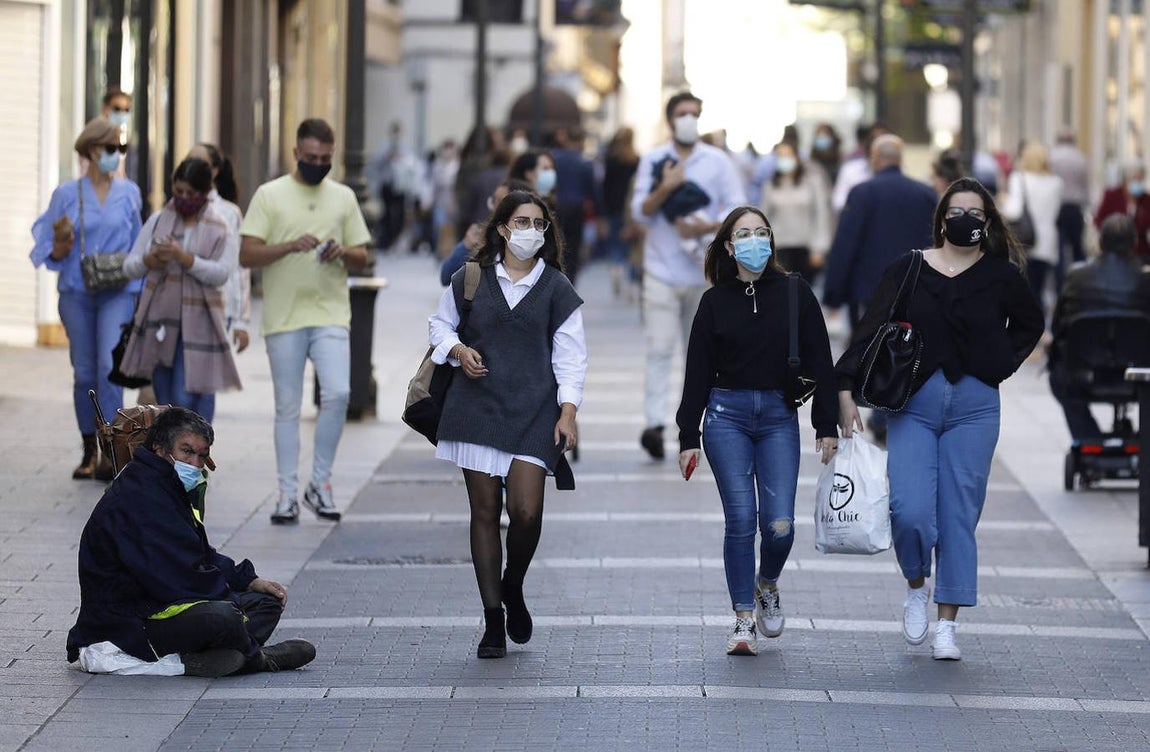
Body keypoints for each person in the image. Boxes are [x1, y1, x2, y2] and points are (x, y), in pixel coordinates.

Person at [835, 178, 1044, 661]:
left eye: (974, 212)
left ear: (987, 222)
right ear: (941, 219)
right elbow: (870, 329)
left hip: (975, 408)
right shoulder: (909, 268)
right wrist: (843, 390)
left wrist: (1000, 365)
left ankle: (947, 624)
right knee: (908, 510)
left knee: (958, 517)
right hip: (915, 406)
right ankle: (915, 586)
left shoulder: (1001, 276)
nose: (964, 219)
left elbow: (1031, 325)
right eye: (956, 211)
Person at [428, 190, 586, 659]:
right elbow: (440, 325)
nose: (531, 232)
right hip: (476, 407)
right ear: (502, 228)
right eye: (522, 222)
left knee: (526, 512)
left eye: (539, 224)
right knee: (482, 512)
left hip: (535, 409)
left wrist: (568, 411)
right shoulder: (470, 278)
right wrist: (458, 351)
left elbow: (572, 357)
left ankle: (512, 584)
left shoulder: (557, 287)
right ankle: (492, 617)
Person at [676, 206, 838, 656]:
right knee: (742, 520)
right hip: (725, 416)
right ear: (729, 246)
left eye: (761, 232)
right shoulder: (714, 302)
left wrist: (827, 424)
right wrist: (688, 435)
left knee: (780, 525)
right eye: (743, 234)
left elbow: (821, 360)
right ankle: (743, 619)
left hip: (777, 418)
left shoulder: (795, 293)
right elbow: (697, 373)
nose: (754, 240)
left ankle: (767, 582)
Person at [66, 407, 317, 677]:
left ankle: (215, 657)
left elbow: (196, 552)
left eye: (202, 455)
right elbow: (174, 580)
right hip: (130, 620)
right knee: (224, 617)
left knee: (266, 601)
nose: (195, 464)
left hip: (164, 602)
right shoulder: (137, 496)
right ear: (160, 449)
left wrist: (246, 579)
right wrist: (228, 599)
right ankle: (258, 659)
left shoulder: (166, 484)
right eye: (187, 451)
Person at [239, 118, 373, 524]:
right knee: (287, 407)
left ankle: (321, 483)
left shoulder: (344, 197)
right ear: (296, 153)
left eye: (325, 158)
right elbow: (247, 254)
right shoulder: (270, 195)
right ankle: (285, 494)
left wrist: (342, 251)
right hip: (284, 316)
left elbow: (363, 255)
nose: (318, 164)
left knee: (337, 394)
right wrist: (288, 247)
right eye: (311, 157)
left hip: (331, 311)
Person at [631, 91, 747, 460]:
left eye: (694, 113)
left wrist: (704, 227)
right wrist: (665, 188)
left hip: (704, 275)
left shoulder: (717, 161)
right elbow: (639, 212)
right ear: (670, 119)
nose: (688, 119)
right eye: (682, 113)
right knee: (660, 348)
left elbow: (737, 208)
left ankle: (700, 424)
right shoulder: (654, 159)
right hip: (661, 270)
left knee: (702, 355)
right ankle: (654, 424)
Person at [29, 118, 142, 480]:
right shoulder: (67, 193)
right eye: (113, 148)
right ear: (93, 151)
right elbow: (46, 240)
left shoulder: (130, 193)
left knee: (110, 370)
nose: (117, 155)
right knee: (84, 374)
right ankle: (89, 449)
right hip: (78, 290)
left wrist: (144, 292)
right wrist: (59, 246)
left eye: (121, 149)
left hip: (118, 291)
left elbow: (139, 243)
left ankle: (114, 451)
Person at [120, 158, 242, 421]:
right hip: (162, 323)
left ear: (204, 193)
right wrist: (149, 261)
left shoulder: (220, 227)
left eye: (191, 194)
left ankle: (193, 452)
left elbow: (222, 273)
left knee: (187, 395)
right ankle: (175, 455)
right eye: (178, 192)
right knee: (165, 398)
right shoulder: (157, 221)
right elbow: (130, 266)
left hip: (201, 323)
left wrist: (186, 259)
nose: (183, 199)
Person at [1049, 214, 1150, 440]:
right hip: (1138, 373)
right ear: (1134, 244)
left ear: (1101, 243)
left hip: (1083, 371)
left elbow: (1058, 327)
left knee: (1056, 373)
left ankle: (1088, 438)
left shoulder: (1077, 276)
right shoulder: (1145, 280)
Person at [187, 142, 251, 354]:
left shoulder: (228, 213)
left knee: (205, 378)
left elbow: (239, 269)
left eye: (199, 162)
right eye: (188, 161)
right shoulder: (173, 210)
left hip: (217, 306)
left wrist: (241, 320)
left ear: (214, 171)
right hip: (181, 304)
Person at [758, 141, 833, 283]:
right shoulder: (770, 185)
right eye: (780, 155)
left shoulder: (812, 183)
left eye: (788, 155)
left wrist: (819, 248)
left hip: (806, 247)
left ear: (797, 157)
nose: (784, 159)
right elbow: (764, 218)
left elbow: (821, 216)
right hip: (779, 247)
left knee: (803, 292)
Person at [440, 178, 534, 286]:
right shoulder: (483, 236)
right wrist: (466, 245)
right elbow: (446, 276)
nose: (494, 207)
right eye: (494, 201)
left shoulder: (530, 240)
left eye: (501, 202)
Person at [1001, 141, 1063, 305]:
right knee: (1039, 290)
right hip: (1047, 243)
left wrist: (1003, 203)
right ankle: (1040, 327)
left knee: (1025, 291)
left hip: (1024, 241)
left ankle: (1030, 328)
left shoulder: (1019, 178)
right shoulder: (1056, 183)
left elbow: (1013, 211)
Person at [550, 127, 599, 283]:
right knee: (573, 248)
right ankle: (570, 280)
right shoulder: (584, 163)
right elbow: (593, 191)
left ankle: (558, 276)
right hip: (577, 208)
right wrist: (599, 215)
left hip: (556, 207)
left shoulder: (554, 159)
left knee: (557, 244)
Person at [602, 127, 641, 297]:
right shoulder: (636, 159)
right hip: (631, 208)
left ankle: (616, 269)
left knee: (616, 243)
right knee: (633, 246)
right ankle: (632, 282)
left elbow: (605, 186)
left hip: (614, 207)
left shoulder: (611, 159)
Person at [1049, 129, 1090, 277]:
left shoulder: (1052, 157)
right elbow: (1085, 185)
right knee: (1077, 247)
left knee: (1059, 249)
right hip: (1075, 207)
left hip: (1058, 207)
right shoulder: (1080, 158)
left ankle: (1061, 284)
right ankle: (1082, 277)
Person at [1094, 161, 1150, 260]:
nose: (1138, 182)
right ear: (1125, 180)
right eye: (1135, 179)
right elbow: (1099, 219)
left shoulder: (1146, 200)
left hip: (1140, 253)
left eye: (1140, 179)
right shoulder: (1112, 195)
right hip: (1113, 250)